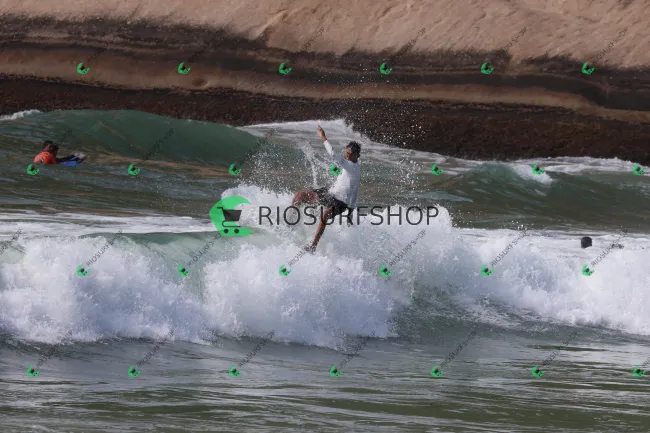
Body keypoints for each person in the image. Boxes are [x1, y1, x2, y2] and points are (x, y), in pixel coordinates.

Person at [292, 125, 360, 252]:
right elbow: (354, 189)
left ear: (357, 155)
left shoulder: (352, 167)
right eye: (346, 153)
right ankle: (291, 223)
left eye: (349, 154)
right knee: (299, 195)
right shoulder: (351, 166)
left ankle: (313, 246)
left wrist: (323, 137)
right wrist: (339, 170)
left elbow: (333, 155)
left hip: (340, 202)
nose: (346, 156)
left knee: (325, 215)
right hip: (329, 194)